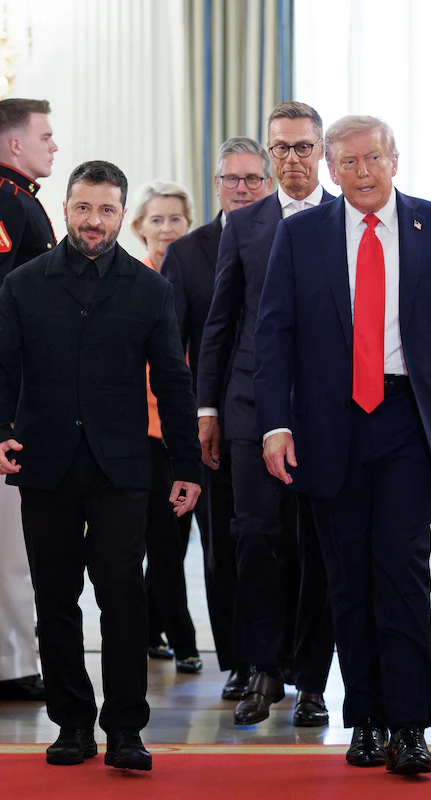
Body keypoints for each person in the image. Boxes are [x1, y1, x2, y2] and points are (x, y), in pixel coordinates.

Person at [254, 115, 431, 775]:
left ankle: (410, 724)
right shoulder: (301, 234)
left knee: (401, 567)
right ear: (330, 170)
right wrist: (275, 424)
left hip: (410, 418)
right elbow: (273, 336)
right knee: (347, 576)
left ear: (395, 160)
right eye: (349, 163)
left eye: (374, 159)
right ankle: (365, 718)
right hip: (327, 426)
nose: (363, 173)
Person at [0, 160, 202, 771]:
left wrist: (186, 463)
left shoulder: (150, 289)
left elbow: (174, 381)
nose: (93, 220)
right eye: (83, 207)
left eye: (105, 209)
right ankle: (72, 724)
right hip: (44, 465)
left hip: (122, 470)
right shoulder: (24, 284)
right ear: (67, 210)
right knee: (55, 598)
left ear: (121, 214)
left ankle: (126, 729)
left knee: (123, 597)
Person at [197, 101, 335, 727]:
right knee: (254, 538)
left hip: (326, 411)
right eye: (281, 147)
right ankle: (262, 668)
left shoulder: (345, 217)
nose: (292, 159)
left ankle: (312, 680)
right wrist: (207, 407)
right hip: (250, 406)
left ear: (321, 150)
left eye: (303, 147)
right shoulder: (245, 223)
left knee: (318, 547)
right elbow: (220, 322)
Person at [161, 137, 275, 699]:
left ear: (268, 184)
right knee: (222, 549)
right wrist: (191, 426)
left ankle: (285, 663)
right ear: (216, 185)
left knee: (279, 544)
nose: (242, 189)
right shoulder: (188, 253)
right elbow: (171, 351)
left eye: (253, 179)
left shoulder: (290, 236)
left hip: (280, 421)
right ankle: (239, 660)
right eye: (233, 179)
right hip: (215, 430)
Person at [0, 98, 59, 703]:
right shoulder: (4, 200)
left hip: (31, 386)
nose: (54, 145)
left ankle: (17, 655)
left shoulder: (22, 198)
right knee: (8, 541)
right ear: (16, 144)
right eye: (45, 136)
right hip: (15, 391)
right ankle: (6, 663)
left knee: (24, 540)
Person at [128, 180, 202, 674]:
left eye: (176, 218)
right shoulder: (134, 281)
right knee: (164, 539)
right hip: (146, 430)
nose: (167, 228)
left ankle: (152, 628)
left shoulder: (198, 278)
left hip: (192, 427)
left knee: (177, 536)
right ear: (140, 227)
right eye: (157, 219)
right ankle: (184, 638)